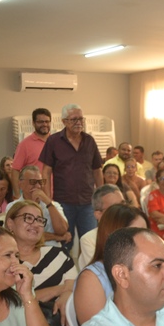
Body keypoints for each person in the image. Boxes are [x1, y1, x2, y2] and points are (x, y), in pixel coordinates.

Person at [6, 201, 77, 326]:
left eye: (39, 220)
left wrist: (68, 293)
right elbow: (13, 302)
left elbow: (77, 286)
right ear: (10, 223)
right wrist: (62, 289)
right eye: (28, 218)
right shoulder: (5, 263)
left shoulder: (59, 254)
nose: (35, 224)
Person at [39, 103, 103, 248]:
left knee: (91, 243)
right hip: (63, 202)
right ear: (64, 121)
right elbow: (46, 171)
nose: (79, 122)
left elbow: (97, 170)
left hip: (88, 202)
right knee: (64, 243)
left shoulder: (89, 141)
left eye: (81, 119)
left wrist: (101, 195)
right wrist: (48, 200)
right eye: (74, 119)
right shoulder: (53, 141)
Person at [73, 204, 148, 326]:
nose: (145, 241)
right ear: (113, 236)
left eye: (146, 233)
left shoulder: (145, 268)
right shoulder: (91, 279)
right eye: (136, 235)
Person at [6, 166, 70, 248]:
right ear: (20, 184)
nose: (38, 186)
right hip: (24, 250)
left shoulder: (53, 205)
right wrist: (57, 237)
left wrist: (48, 203)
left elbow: (62, 230)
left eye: (40, 182)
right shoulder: (12, 206)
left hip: (52, 248)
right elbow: (22, 235)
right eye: (33, 182)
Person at [77, 185, 125, 271]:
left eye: (123, 204)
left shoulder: (135, 230)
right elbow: (99, 273)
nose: (123, 210)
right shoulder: (89, 240)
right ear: (98, 214)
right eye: (115, 208)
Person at [12, 108, 52, 196]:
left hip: (58, 196)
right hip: (34, 197)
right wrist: (18, 196)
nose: (44, 124)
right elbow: (15, 170)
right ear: (33, 123)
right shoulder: (24, 145)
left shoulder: (57, 142)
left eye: (47, 121)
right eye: (40, 122)